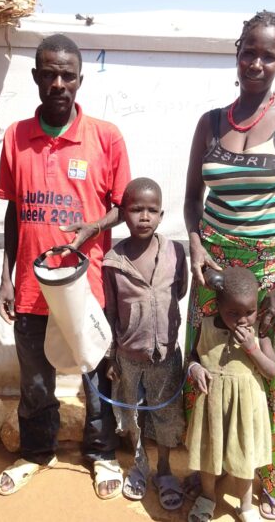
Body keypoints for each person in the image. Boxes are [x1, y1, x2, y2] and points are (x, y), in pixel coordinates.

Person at [183, 11, 275, 520]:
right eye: (249, 50)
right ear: (236, 51)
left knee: (266, 374)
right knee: (210, 372)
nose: (257, 62)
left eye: (269, 54)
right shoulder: (210, 122)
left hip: (266, 279)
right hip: (213, 276)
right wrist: (196, 247)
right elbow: (191, 203)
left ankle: (267, 482)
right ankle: (207, 472)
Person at [0, 33, 131, 500]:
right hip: (32, 288)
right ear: (35, 78)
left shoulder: (105, 137)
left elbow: (124, 207)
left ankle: (102, 453)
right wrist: (6, 278)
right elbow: (12, 211)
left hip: (84, 287)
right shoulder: (16, 136)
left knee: (95, 375)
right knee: (35, 380)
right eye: (49, 74)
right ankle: (35, 451)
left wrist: (91, 227)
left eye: (67, 75)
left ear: (79, 80)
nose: (58, 83)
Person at [102, 178, 188, 510]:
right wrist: (112, 355)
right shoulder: (113, 261)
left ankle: (165, 470)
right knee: (132, 415)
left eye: (152, 210)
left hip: (166, 356)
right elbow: (110, 313)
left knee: (167, 415)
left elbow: (178, 294)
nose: (144, 217)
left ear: (162, 215)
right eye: (136, 209)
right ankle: (139, 468)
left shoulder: (175, 253)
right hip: (128, 356)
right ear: (123, 213)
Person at [186, 266, 275, 522]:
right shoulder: (205, 326)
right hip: (212, 409)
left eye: (249, 312)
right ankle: (207, 497)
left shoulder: (260, 333)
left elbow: (272, 372)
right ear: (218, 306)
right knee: (208, 455)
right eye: (233, 313)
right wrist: (195, 368)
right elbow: (192, 356)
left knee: (243, 458)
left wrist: (252, 349)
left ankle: (246, 506)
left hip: (245, 412)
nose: (242, 320)